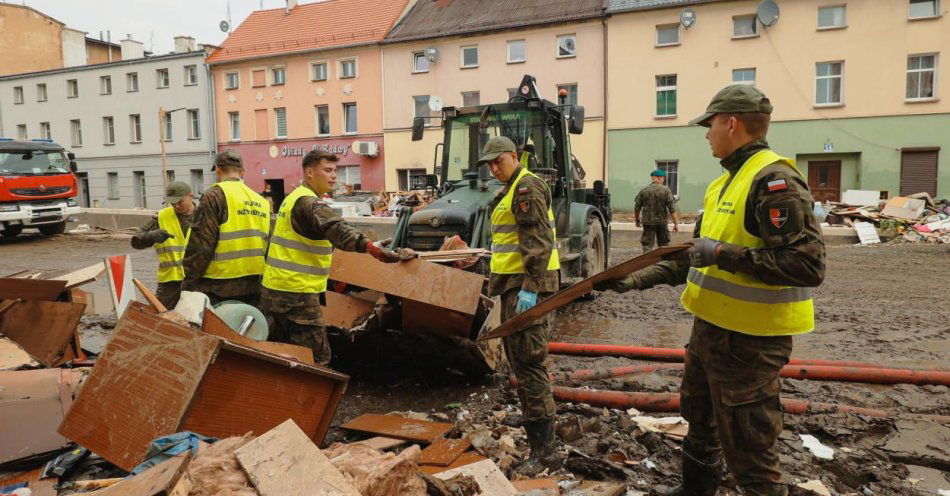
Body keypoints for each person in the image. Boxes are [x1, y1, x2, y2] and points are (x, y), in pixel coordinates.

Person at [594, 84, 825, 496]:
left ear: (731, 123)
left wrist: (722, 253)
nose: (706, 134)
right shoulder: (724, 185)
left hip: (752, 344)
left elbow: (806, 265)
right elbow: (692, 260)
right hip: (711, 332)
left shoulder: (774, 181)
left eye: (710, 125)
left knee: (751, 451)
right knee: (700, 421)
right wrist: (633, 280)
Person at [261, 150, 412, 366]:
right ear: (310, 172)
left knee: (283, 355)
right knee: (316, 359)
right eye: (328, 170)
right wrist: (370, 246)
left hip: (276, 289)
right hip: (297, 295)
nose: (334, 176)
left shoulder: (291, 199)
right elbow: (337, 228)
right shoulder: (309, 204)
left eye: (335, 171)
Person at [482, 136, 560, 475]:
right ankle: (538, 436)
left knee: (529, 366)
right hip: (514, 288)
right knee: (522, 364)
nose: (493, 168)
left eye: (498, 161)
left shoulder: (526, 188)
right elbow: (508, 240)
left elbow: (538, 243)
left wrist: (530, 288)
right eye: (489, 164)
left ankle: (544, 453)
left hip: (526, 290)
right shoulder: (513, 188)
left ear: (514, 156)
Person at [181, 150, 271, 307]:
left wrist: (189, 282)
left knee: (218, 330)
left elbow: (201, 244)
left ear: (217, 169)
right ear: (242, 172)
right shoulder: (261, 201)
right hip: (255, 284)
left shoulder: (214, 196)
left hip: (219, 286)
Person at [130, 181, 195, 309]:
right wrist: (151, 236)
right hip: (170, 282)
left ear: (191, 196)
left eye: (180, 202)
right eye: (172, 203)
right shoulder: (162, 217)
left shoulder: (205, 215)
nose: (176, 206)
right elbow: (136, 241)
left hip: (198, 279)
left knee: (198, 318)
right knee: (161, 316)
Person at [635, 169, 680, 251]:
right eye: (663, 178)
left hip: (648, 222)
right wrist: (676, 223)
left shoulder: (644, 191)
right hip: (662, 223)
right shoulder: (666, 191)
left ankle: (647, 262)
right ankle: (662, 262)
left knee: (647, 246)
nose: (663, 180)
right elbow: (672, 209)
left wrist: (637, 220)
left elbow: (637, 208)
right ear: (659, 178)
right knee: (664, 246)